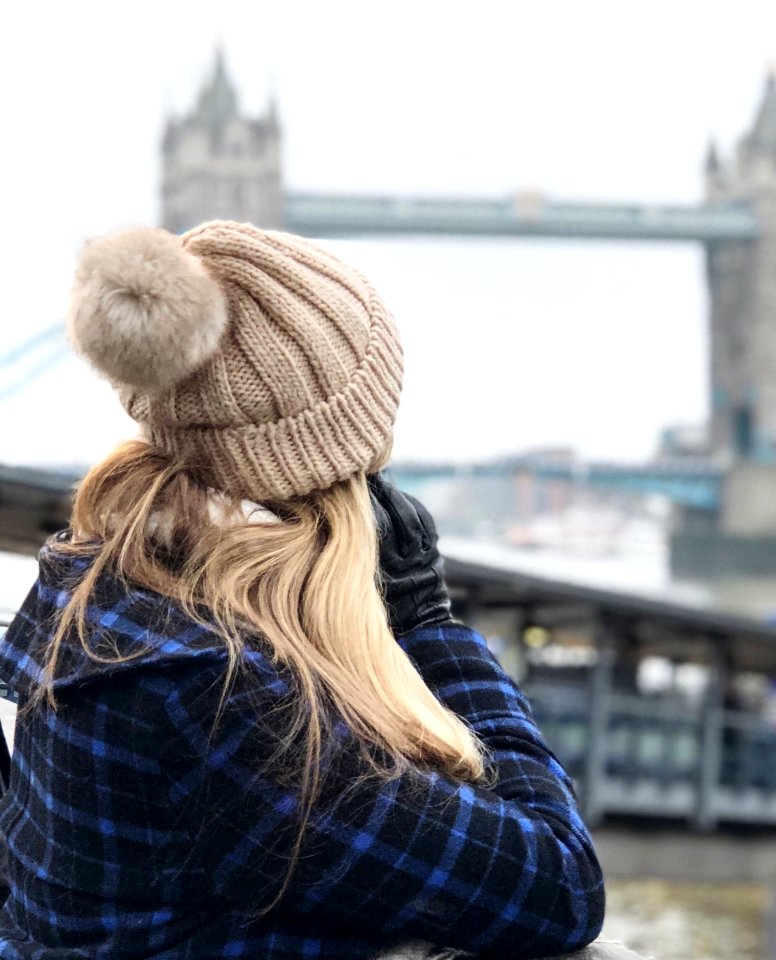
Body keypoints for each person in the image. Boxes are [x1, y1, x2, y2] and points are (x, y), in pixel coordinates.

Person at [0, 222, 629, 959]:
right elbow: (557, 887)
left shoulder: (95, 588)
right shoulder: (226, 701)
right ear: (338, 464)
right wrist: (427, 623)